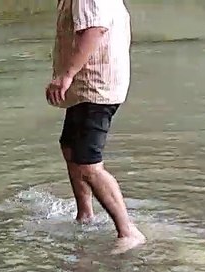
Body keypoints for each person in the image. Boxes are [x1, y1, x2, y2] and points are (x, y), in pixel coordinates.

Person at [46, 0, 146, 253]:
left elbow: (95, 29)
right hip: (87, 86)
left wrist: (66, 75)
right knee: (70, 147)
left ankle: (128, 232)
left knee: (88, 163)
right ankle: (85, 215)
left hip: (96, 86)